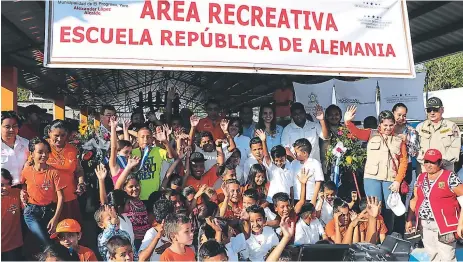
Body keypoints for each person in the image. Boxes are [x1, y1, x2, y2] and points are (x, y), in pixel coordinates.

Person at [344, 106, 408, 232]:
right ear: (380, 124)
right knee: (374, 208)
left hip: (390, 179)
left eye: (391, 125)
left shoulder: (399, 140)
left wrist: (398, 181)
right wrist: (347, 121)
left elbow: (403, 162)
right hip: (372, 178)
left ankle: (387, 236)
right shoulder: (371, 133)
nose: (388, 128)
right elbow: (356, 131)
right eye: (385, 125)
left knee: (389, 209)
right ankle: (374, 237)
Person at [406, 149, 463, 262]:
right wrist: (409, 219)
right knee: (432, 256)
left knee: (447, 257)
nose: (429, 165)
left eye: (432, 162)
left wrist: (461, 224)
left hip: (445, 225)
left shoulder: (450, 177)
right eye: (426, 161)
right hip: (425, 224)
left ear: (440, 162)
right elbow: (415, 199)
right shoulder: (421, 178)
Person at [21, 137, 64, 247]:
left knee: (51, 241)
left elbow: (61, 197)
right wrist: (23, 192)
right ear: (32, 153)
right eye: (40, 152)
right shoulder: (26, 170)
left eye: (46, 152)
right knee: (45, 243)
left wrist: (55, 218)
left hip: (50, 211)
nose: (44, 155)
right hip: (31, 212)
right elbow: (23, 184)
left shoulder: (54, 172)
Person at [46, 120, 85, 223]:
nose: (59, 139)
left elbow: (79, 170)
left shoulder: (72, 149)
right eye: (56, 135)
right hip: (48, 198)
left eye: (63, 135)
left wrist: (81, 183)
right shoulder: (42, 147)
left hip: (69, 197)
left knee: (70, 232)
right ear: (49, 132)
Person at [416, 97, 461, 172]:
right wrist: (427, 162)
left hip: (445, 169)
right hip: (425, 169)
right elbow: (416, 148)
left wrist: (439, 163)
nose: (432, 113)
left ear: (442, 110)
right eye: (429, 110)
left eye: (435, 110)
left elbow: (455, 149)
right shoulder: (420, 127)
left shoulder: (452, 127)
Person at [132, 126, 174, 201]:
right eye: (142, 137)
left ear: (152, 139)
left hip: (154, 195)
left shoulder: (157, 150)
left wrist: (165, 142)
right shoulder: (133, 152)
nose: (145, 139)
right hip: (137, 197)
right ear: (137, 140)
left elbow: (170, 156)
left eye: (148, 137)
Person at [290, 138, 324, 204]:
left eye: (296, 152)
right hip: (296, 198)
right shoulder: (293, 163)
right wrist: (292, 199)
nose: (294, 154)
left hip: (309, 198)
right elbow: (291, 181)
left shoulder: (315, 163)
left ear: (304, 153)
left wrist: (314, 199)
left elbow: (318, 182)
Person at [1, 111, 29, 185]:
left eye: (14, 126)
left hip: (23, 190)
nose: (11, 129)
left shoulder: (27, 144)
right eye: (7, 127)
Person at [1, 168, 23, 261]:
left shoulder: (17, 194)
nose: (5, 188)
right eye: (1, 185)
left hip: (13, 247)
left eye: (8, 184)